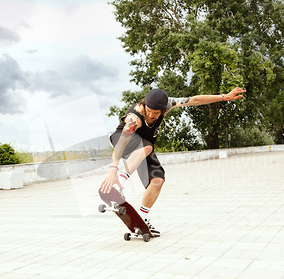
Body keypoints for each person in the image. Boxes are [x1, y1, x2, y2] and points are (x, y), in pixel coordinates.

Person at [100, 87, 246, 236]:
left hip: (143, 148)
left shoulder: (169, 104)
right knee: (147, 146)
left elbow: (194, 100)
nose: (151, 115)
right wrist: (113, 169)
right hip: (122, 140)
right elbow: (122, 143)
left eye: (155, 113)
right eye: (148, 111)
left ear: (164, 109)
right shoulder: (135, 117)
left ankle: (141, 221)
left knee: (158, 180)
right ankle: (119, 186)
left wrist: (223, 97)